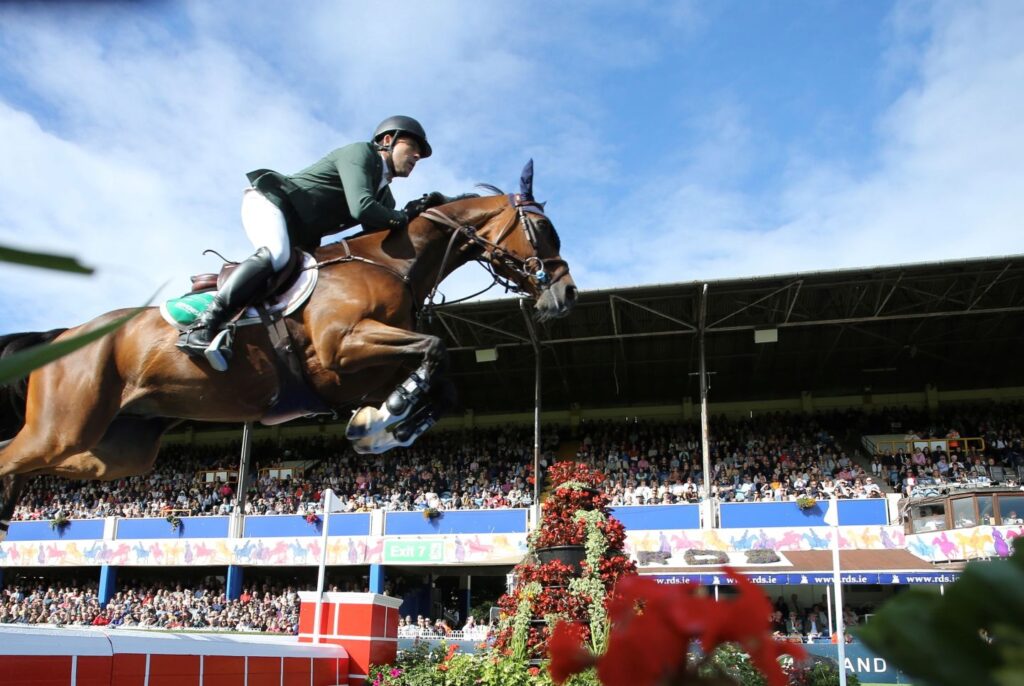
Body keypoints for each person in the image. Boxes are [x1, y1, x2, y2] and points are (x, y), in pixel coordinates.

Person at [178, 115, 446, 371]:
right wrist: (405, 215)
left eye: (419, 154)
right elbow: (362, 208)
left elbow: (375, 242)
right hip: (272, 203)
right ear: (388, 140)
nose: (417, 156)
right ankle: (203, 326)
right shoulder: (361, 154)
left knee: (309, 284)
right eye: (412, 147)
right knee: (275, 255)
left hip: (302, 235)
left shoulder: (385, 197)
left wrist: (422, 215)